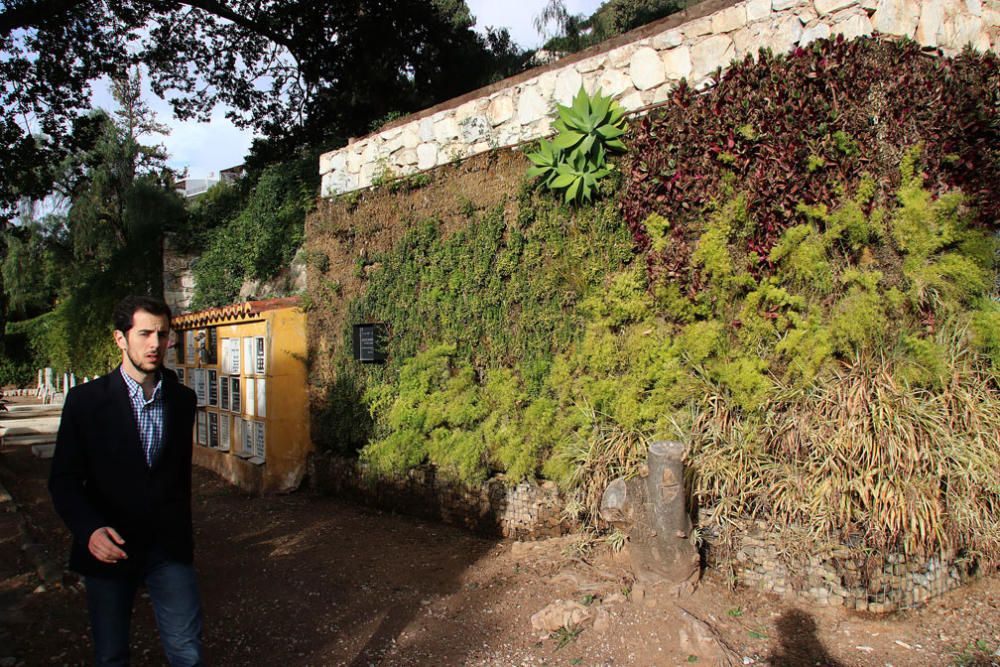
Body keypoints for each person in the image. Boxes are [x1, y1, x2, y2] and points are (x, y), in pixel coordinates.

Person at [49, 295, 203, 666]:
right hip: (110, 546)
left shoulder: (183, 401)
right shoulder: (86, 402)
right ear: (121, 338)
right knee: (111, 654)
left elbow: (174, 477)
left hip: (168, 549)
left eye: (163, 334)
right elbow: (64, 480)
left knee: (188, 651)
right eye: (145, 333)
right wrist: (89, 531)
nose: (155, 344)